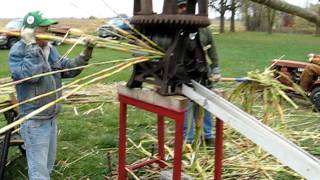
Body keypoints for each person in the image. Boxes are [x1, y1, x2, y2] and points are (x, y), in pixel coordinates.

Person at [8, 11, 95, 179]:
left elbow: (67, 69)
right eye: (44, 28)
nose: (49, 32)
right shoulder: (18, 51)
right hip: (34, 121)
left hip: (50, 118)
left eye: (48, 28)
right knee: (39, 172)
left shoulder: (49, 49)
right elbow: (30, 76)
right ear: (30, 31)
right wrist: (32, 46)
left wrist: (86, 53)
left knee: (47, 166)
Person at [177, 0, 221, 145]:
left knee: (206, 101)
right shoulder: (173, 28)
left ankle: (208, 135)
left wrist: (215, 69)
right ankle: (188, 139)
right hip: (183, 74)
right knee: (188, 104)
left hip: (202, 72)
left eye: (185, 6)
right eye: (180, 7)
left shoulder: (203, 28)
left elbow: (212, 48)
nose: (184, 9)